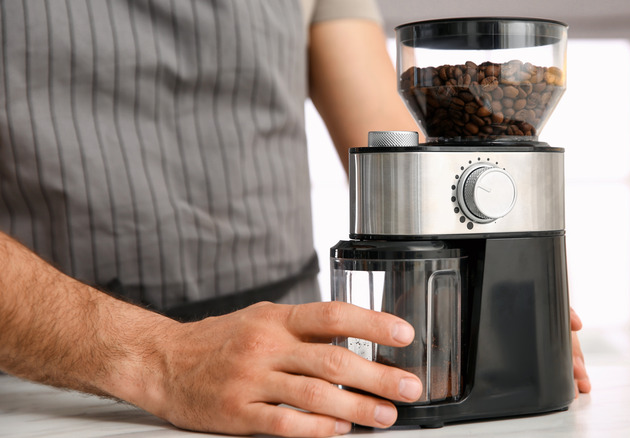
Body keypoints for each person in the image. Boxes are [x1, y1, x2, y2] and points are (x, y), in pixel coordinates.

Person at [0, 1, 590, 436]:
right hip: (47, 376)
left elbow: (394, 146)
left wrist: (501, 309)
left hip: (292, 365)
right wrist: (160, 357)